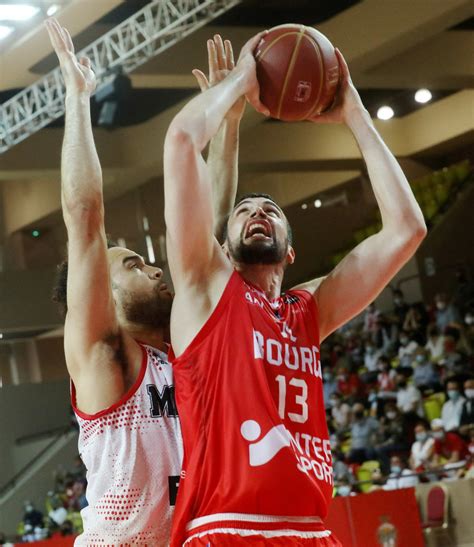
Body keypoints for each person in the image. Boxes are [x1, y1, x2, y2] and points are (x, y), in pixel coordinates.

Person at [164, 32, 426, 546]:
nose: (257, 213)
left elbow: (406, 229)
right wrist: (241, 82)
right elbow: (180, 143)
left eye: (271, 212)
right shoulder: (204, 287)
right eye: (244, 211)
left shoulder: (309, 311)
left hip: (309, 532)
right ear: (224, 242)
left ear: (290, 252)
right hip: (227, 528)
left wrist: (355, 113)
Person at [45, 19, 241, 546]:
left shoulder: (185, 349)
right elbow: (85, 218)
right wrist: (78, 98)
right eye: (132, 265)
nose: (155, 268)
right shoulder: (106, 356)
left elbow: (212, 227)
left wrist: (228, 123)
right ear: (100, 297)